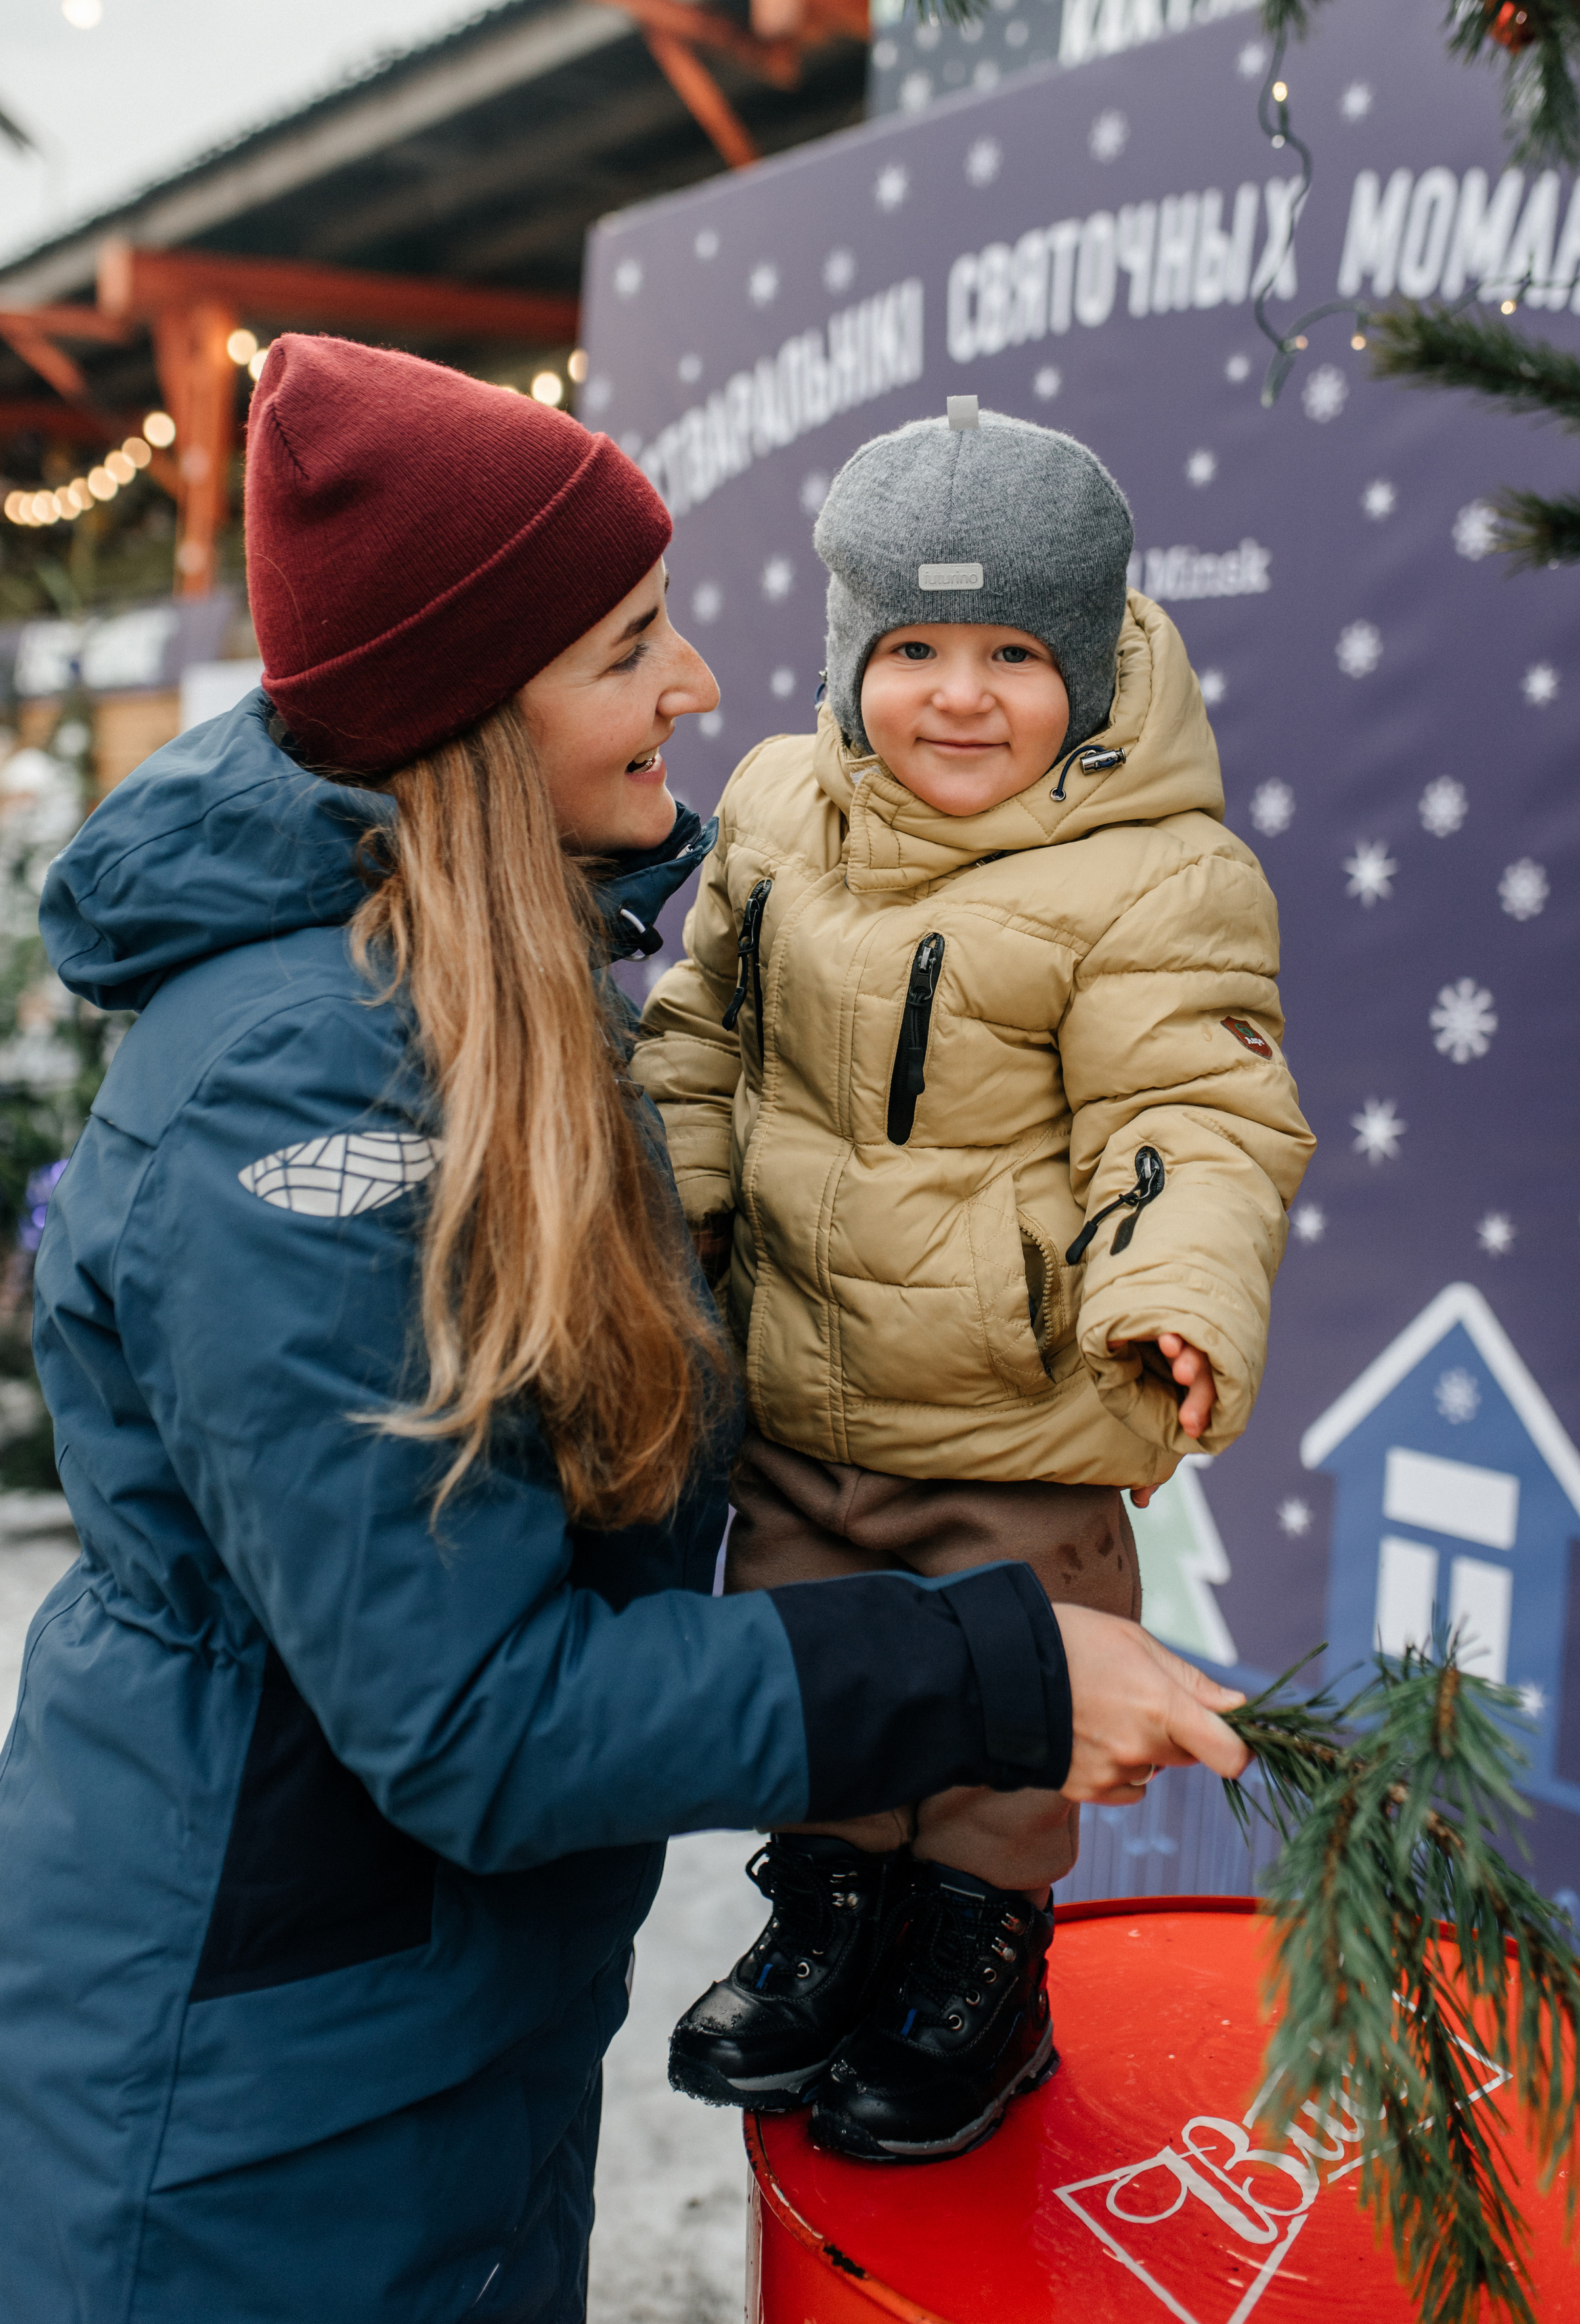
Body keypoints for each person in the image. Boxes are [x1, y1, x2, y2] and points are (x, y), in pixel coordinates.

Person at [0, 342, 1251, 2323]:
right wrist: (984, 1669)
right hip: (247, 2118)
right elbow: (476, 1716)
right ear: (472, 713)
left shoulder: (493, 968)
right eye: (630, 646)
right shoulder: (299, 1105)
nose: (702, 685)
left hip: (421, 2039)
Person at [636, 403, 1315, 2164]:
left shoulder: (1154, 873)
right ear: (850, 652)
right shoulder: (779, 812)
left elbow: (1198, 1107)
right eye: (914, 648)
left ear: (1088, 665)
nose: (957, 694)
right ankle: (831, 1917)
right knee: (818, 1660)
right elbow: (704, 1031)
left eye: (1013, 652)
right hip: (798, 1392)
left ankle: (975, 1962)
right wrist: (673, 1212)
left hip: (1010, 1416)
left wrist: (1172, 1285)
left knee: (1003, 1719)